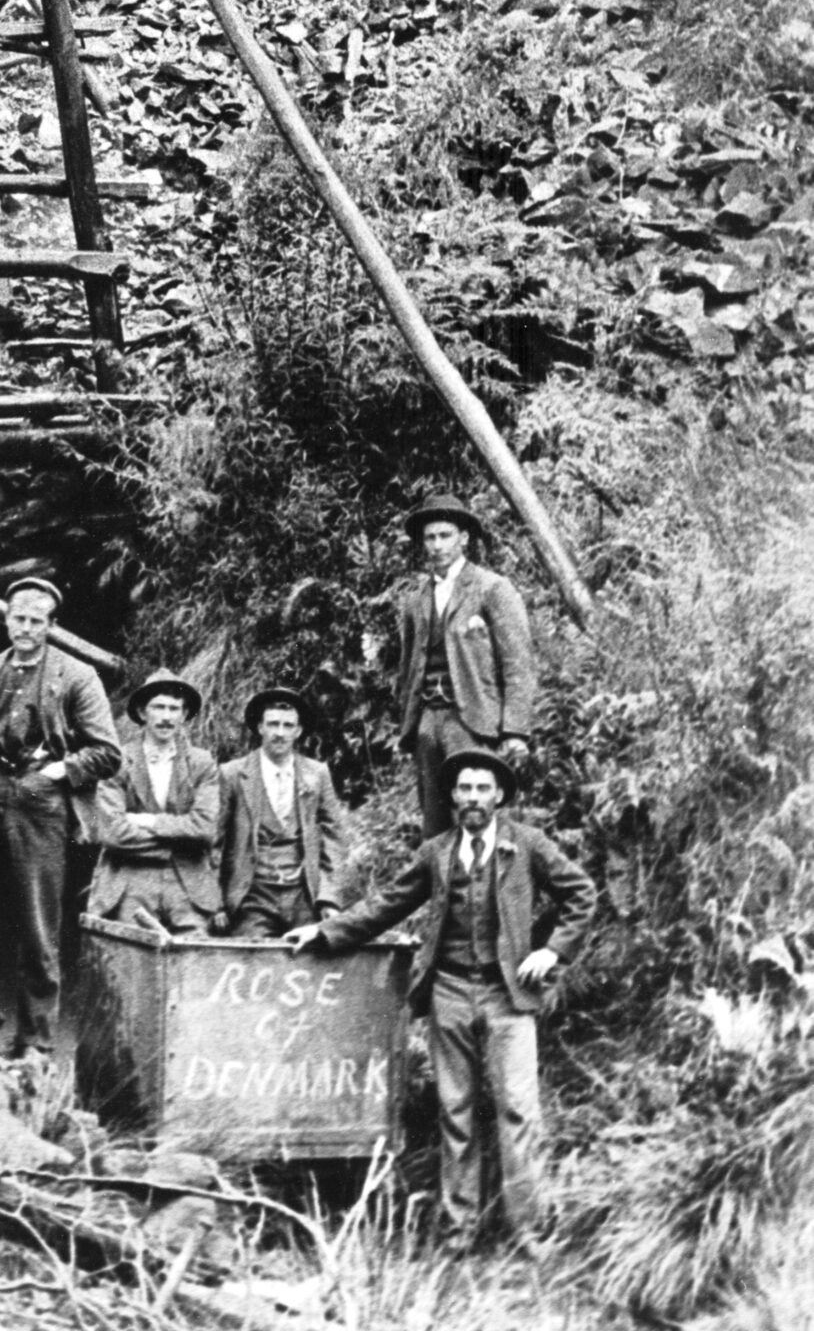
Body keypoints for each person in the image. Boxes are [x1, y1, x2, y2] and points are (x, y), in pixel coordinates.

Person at [288, 748, 595, 1255]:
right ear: (453, 797)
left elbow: (581, 894)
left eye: (482, 789)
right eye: (464, 789)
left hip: (508, 998)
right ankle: (459, 1232)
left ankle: (532, 1233)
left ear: (498, 795)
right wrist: (324, 932)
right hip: (450, 992)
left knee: (519, 1111)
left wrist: (551, 950)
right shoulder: (437, 851)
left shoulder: (528, 845)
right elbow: (386, 904)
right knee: (455, 1112)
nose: (473, 798)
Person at [0, 576, 122, 1053]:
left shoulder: (76, 675)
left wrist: (58, 772)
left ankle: (37, 1043)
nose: (25, 628)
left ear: (50, 626)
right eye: (18, 618)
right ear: (6, 618)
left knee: (38, 928)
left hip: (43, 806)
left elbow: (107, 752)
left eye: (36, 621)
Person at [396, 496, 537, 837]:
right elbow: (408, 667)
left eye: (445, 536)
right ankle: (444, 890)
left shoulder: (491, 588)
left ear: (464, 539)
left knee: (477, 815)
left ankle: (486, 888)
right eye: (430, 538)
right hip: (428, 721)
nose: (437, 545)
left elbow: (518, 662)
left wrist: (515, 731)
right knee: (434, 823)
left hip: (473, 721)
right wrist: (411, 725)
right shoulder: (416, 599)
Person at [84, 670, 219, 933]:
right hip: (131, 881)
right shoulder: (117, 762)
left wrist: (150, 821)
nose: (167, 717)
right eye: (158, 707)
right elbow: (113, 833)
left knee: (194, 959)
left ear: (184, 715)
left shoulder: (201, 763)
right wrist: (178, 842)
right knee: (131, 959)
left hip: (188, 885)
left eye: (174, 709)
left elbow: (205, 827)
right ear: (143, 713)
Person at [218, 685, 353, 938]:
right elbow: (213, 843)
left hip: (303, 894)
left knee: (313, 960)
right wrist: (215, 903)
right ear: (260, 728)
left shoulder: (317, 773)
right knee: (251, 962)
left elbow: (335, 839)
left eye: (288, 726)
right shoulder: (233, 774)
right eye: (273, 724)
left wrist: (329, 899)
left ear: (298, 730)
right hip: (252, 896)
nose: (279, 733)